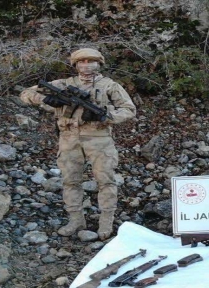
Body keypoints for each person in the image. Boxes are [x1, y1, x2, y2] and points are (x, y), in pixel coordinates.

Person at [20, 48, 136, 240]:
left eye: (91, 61)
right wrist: (45, 99)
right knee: (70, 180)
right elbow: (26, 94)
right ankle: (76, 220)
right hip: (69, 138)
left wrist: (108, 117)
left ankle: (106, 221)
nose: (86, 65)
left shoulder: (109, 85)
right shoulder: (64, 84)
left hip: (99, 138)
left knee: (105, 180)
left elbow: (129, 109)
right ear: (75, 65)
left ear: (99, 63)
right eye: (81, 61)